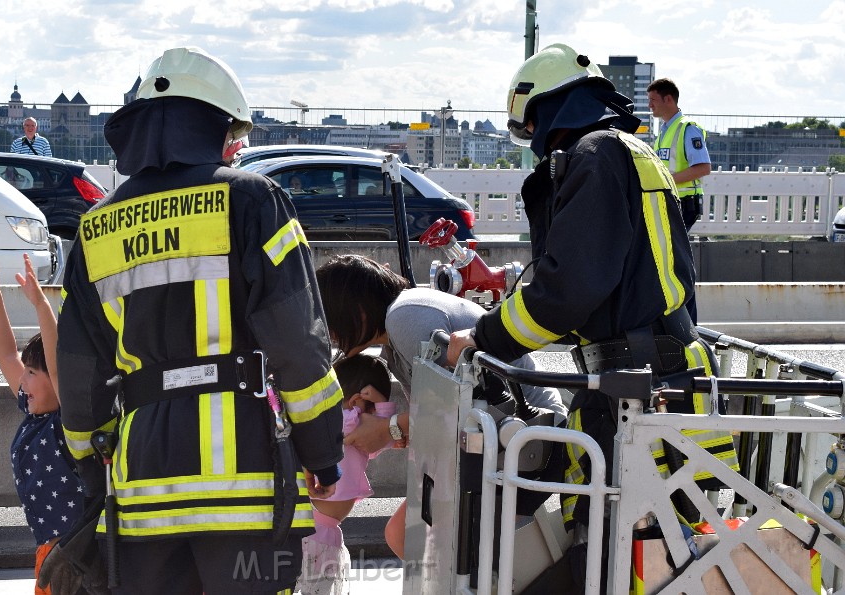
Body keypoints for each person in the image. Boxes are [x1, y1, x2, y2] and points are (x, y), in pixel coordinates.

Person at [49, 46, 344, 595]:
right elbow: (298, 344)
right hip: (245, 483)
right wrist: (322, 452)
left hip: (142, 491)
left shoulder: (96, 228)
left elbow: (78, 371)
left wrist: (91, 465)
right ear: (214, 126)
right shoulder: (254, 199)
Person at [446, 43, 737, 588]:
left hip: (638, 384)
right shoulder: (626, 149)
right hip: (655, 374)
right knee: (650, 561)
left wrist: (480, 337)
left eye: (532, 125)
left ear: (552, 109)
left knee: (633, 563)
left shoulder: (595, 155)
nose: (535, 141)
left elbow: (567, 294)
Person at [315, 254, 566, 559]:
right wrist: (399, 430)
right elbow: (449, 413)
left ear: (356, 308)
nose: (331, 335)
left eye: (331, 320)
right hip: (506, 440)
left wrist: (389, 428)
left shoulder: (403, 318)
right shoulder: (399, 327)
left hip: (528, 441)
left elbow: (457, 409)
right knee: (407, 538)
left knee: (436, 551)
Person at [0, 242, 85, 595]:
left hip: (77, 551)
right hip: (48, 548)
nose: (22, 379)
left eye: (33, 372)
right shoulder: (35, 414)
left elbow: (56, 362)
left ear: (55, 376)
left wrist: (41, 305)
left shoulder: (70, 419)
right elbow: (4, 352)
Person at [297, 354, 396, 595]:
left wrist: (381, 407)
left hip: (321, 527)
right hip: (316, 528)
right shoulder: (346, 421)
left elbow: (383, 440)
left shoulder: (351, 433)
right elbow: (385, 433)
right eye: (372, 409)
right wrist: (383, 408)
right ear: (356, 402)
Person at [647, 77, 711, 231]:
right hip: (672, 200)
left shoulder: (688, 128)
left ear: (668, 99)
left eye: (653, 100)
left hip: (684, 203)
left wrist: (666, 181)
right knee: (669, 252)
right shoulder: (664, 131)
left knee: (673, 252)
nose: (649, 105)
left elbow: (704, 168)